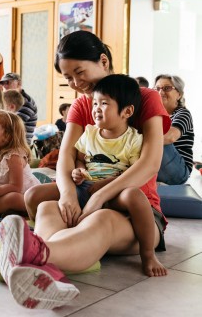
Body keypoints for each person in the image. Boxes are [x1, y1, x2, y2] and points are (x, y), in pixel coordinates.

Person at [1, 31, 170, 310]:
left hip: (136, 211)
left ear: (103, 61)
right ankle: (44, 272)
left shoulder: (145, 98)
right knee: (45, 206)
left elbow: (150, 163)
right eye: (68, 78)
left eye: (79, 72)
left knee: (101, 218)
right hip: (90, 195)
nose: (77, 84)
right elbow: (67, 153)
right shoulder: (82, 105)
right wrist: (68, 194)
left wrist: (98, 197)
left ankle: (33, 255)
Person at [28, 74, 167, 276]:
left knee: (130, 197)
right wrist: (78, 171)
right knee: (46, 205)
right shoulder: (90, 133)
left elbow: (135, 170)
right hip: (88, 189)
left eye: (104, 104)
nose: (96, 109)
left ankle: (148, 254)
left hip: (118, 193)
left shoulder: (133, 139)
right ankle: (45, 252)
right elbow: (80, 158)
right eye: (95, 103)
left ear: (127, 111)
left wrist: (103, 189)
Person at [154, 74, 194, 185]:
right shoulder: (155, 117)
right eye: (157, 89)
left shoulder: (183, 113)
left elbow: (170, 137)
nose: (160, 92)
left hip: (178, 172)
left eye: (167, 88)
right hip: (158, 168)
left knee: (157, 138)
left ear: (179, 94)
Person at [0, 73, 38, 142]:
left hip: (20, 143)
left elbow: (12, 125)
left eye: (7, 82)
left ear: (19, 83)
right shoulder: (7, 99)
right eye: (3, 84)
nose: (5, 86)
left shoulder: (26, 102)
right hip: (11, 140)